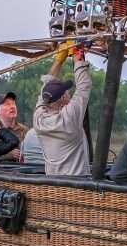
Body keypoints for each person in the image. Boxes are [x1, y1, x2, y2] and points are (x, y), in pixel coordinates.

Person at [33, 43, 91, 177]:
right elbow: (84, 86)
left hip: (54, 185)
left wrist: (60, 58)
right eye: (67, 92)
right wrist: (77, 53)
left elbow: (45, 87)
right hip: (77, 184)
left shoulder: (39, 118)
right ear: (64, 97)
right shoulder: (69, 118)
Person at [0, 91, 27, 161]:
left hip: (21, 170)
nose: (12, 107)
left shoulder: (24, 129)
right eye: (7, 104)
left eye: (14, 104)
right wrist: (6, 154)